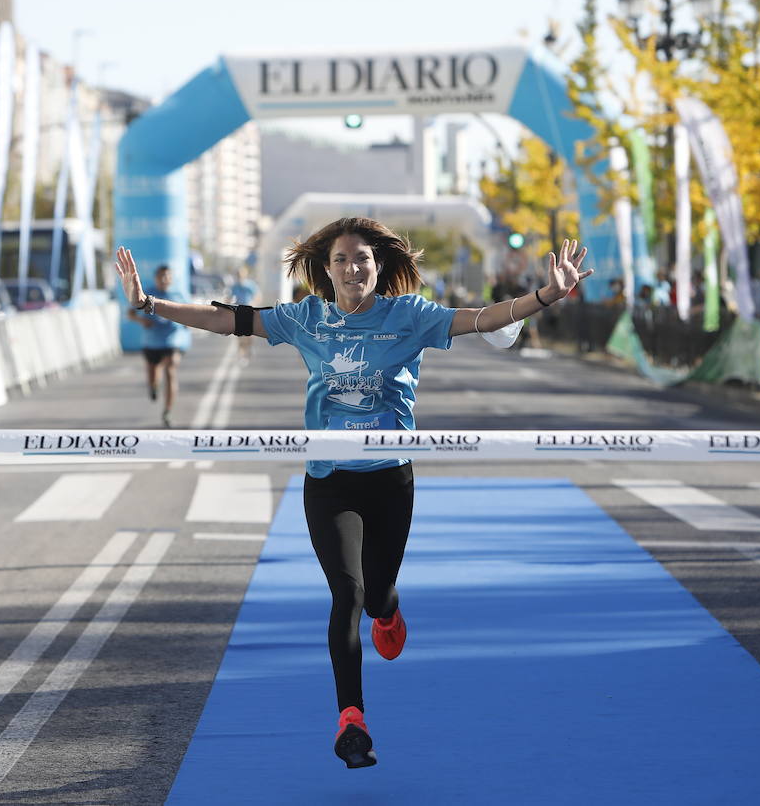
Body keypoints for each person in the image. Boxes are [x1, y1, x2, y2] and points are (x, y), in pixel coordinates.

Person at [114, 217, 591, 769]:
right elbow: (230, 320)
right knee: (348, 594)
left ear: (378, 265)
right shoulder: (306, 317)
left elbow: (483, 319)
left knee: (379, 593)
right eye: (340, 260)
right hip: (328, 480)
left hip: (389, 477)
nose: (351, 268)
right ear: (326, 269)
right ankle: (351, 718)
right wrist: (151, 303)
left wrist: (546, 296)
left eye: (361, 258)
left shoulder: (410, 316)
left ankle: (390, 612)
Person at [126, 263, 191, 427]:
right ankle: (153, 386)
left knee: (171, 368)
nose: (165, 279)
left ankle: (167, 411)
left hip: (172, 340)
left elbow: (191, 314)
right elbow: (130, 313)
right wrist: (142, 321)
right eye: (161, 276)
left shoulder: (179, 294)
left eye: (168, 276)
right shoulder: (147, 293)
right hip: (151, 341)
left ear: (171, 278)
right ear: (156, 278)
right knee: (153, 374)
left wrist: (188, 323)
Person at [228, 266, 260, 363]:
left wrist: (253, 303)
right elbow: (229, 297)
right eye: (238, 274)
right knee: (239, 335)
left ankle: (249, 348)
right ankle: (241, 355)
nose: (240, 276)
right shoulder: (235, 286)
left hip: (249, 312)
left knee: (249, 335)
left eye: (241, 274)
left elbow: (258, 296)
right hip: (238, 312)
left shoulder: (250, 285)